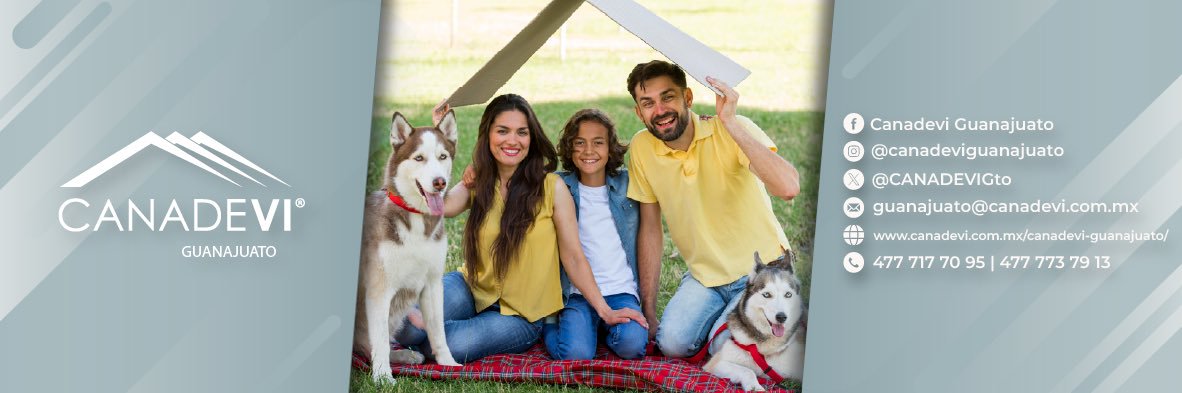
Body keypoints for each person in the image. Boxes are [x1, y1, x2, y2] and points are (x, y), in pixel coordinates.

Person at [395, 94, 646, 363]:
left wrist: (605, 311)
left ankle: (428, 338)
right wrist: (438, 146)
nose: (512, 140)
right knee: (404, 323)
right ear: (488, 135)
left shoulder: (552, 188)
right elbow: (441, 206)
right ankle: (420, 336)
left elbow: (573, 256)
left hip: (522, 316)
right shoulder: (480, 180)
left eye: (521, 132)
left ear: (531, 138)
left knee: (451, 345)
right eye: (503, 131)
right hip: (472, 288)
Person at [624, 60, 801, 358]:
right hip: (705, 276)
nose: (660, 110)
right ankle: (736, 320)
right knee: (672, 345)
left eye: (668, 97)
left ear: (688, 98)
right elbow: (651, 230)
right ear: (639, 112)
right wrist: (649, 310)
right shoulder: (642, 147)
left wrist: (730, 123)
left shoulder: (732, 128)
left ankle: (783, 310)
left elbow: (788, 187)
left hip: (764, 271)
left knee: (724, 348)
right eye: (648, 103)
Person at [542, 109, 647, 360]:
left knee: (632, 346)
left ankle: (598, 330)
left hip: (620, 290)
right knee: (575, 355)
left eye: (598, 142)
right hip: (577, 292)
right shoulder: (558, 186)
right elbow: (517, 180)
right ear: (570, 148)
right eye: (580, 143)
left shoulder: (629, 184)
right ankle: (550, 325)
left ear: (610, 148)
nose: (589, 151)